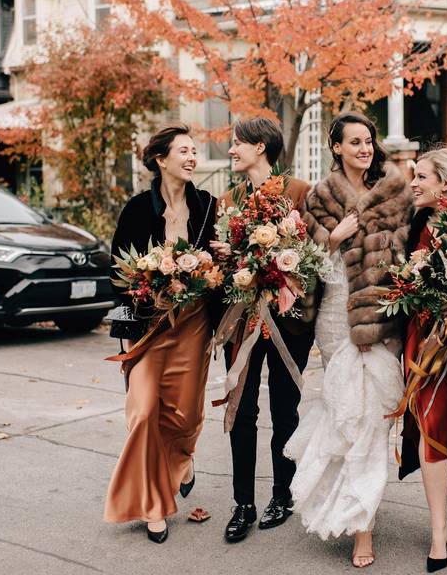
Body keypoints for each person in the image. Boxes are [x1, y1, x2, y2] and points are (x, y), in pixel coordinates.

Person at [283, 111, 412, 568]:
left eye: (369, 141)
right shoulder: (320, 197)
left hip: (380, 319)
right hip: (336, 317)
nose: (364, 148)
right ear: (336, 147)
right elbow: (305, 266)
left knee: (374, 419)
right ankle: (357, 515)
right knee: (346, 415)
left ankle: (364, 523)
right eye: (354, 142)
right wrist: (333, 239)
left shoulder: (393, 193)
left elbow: (406, 260)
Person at [104, 124, 217, 543]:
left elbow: (219, 269)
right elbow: (117, 276)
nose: (191, 158)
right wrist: (128, 333)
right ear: (161, 159)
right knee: (144, 411)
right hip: (150, 328)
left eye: (194, 151)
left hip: (194, 325)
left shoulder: (208, 206)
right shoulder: (137, 209)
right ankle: (153, 505)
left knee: (184, 416)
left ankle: (182, 461)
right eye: (183, 151)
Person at [209, 117, 315, 543]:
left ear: (260, 147)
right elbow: (220, 265)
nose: (232, 150)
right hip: (241, 322)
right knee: (242, 410)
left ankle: (281, 495)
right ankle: (242, 504)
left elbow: (313, 258)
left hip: (289, 324)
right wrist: (226, 258)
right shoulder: (227, 199)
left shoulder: (300, 194)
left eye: (237, 144)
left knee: (285, 411)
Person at [401, 146, 447, 572]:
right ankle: (437, 531)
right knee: (431, 422)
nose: (413, 183)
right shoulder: (413, 223)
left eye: (422, 176)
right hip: (424, 337)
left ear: (444, 183)